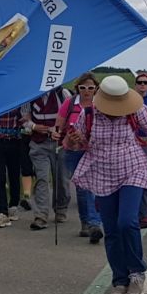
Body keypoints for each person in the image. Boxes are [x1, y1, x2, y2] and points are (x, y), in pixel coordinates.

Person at [71, 76, 147, 294]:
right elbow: (76, 143)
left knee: (127, 221)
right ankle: (119, 279)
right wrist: (73, 139)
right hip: (103, 173)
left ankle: (136, 273)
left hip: (133, 168)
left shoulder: (137, 110)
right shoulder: (89, 114)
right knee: (112, 229)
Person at [58, 74, 104, 243]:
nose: (86, 91)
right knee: (81, 188)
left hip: (93, 151)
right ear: (77, 88)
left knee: (91, 187)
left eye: (90, 88)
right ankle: (86, 223)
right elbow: (59, 126)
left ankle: (94, 223)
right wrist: (65, 135)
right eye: (83, 87)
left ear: (96, 89)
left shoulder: (100, 104)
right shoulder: (69, 103)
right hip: (73, 150)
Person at [27, 84, 69, 230]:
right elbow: (24, 119)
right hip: (38, 143)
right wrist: (34, 127)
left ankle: (61, 207)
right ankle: (41, 215)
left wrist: (60, 131)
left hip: (59, 143)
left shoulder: (63, 94)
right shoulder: (30, 94)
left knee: (61, 178)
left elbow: (70, 117)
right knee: (42, 178)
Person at [0, 104, 29, 228]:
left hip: (14, 140)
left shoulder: (18, 101)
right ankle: (2, 211)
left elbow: (24, 118)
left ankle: (13, 206)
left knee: (14, 175)